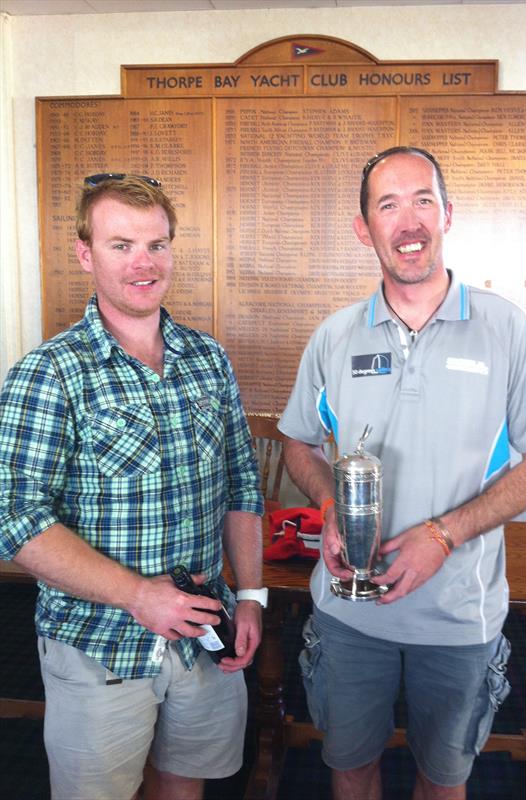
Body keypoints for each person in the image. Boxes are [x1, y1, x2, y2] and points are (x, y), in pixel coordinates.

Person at [279, 146, 526, 800]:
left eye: (421, 201)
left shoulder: (505, 328)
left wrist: (442, 535)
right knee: (348, 768)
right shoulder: (333, 336)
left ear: (446, 214)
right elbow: (299, 446)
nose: (407, 220)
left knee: (443, 780)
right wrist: (329, 507)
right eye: (387, 205)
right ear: (364, 229)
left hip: (457, 618)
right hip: (348, 617)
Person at [0, 174, 268, 800]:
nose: (142, 263)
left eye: (156, 244)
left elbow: (241, 485)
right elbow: (14, 518)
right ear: (85, 253)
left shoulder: (208, 359)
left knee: (182, 787)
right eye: (121, 245)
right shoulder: (47, 374)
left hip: (205, 637)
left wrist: (252, 594)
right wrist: (136, 596)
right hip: (100, 648)